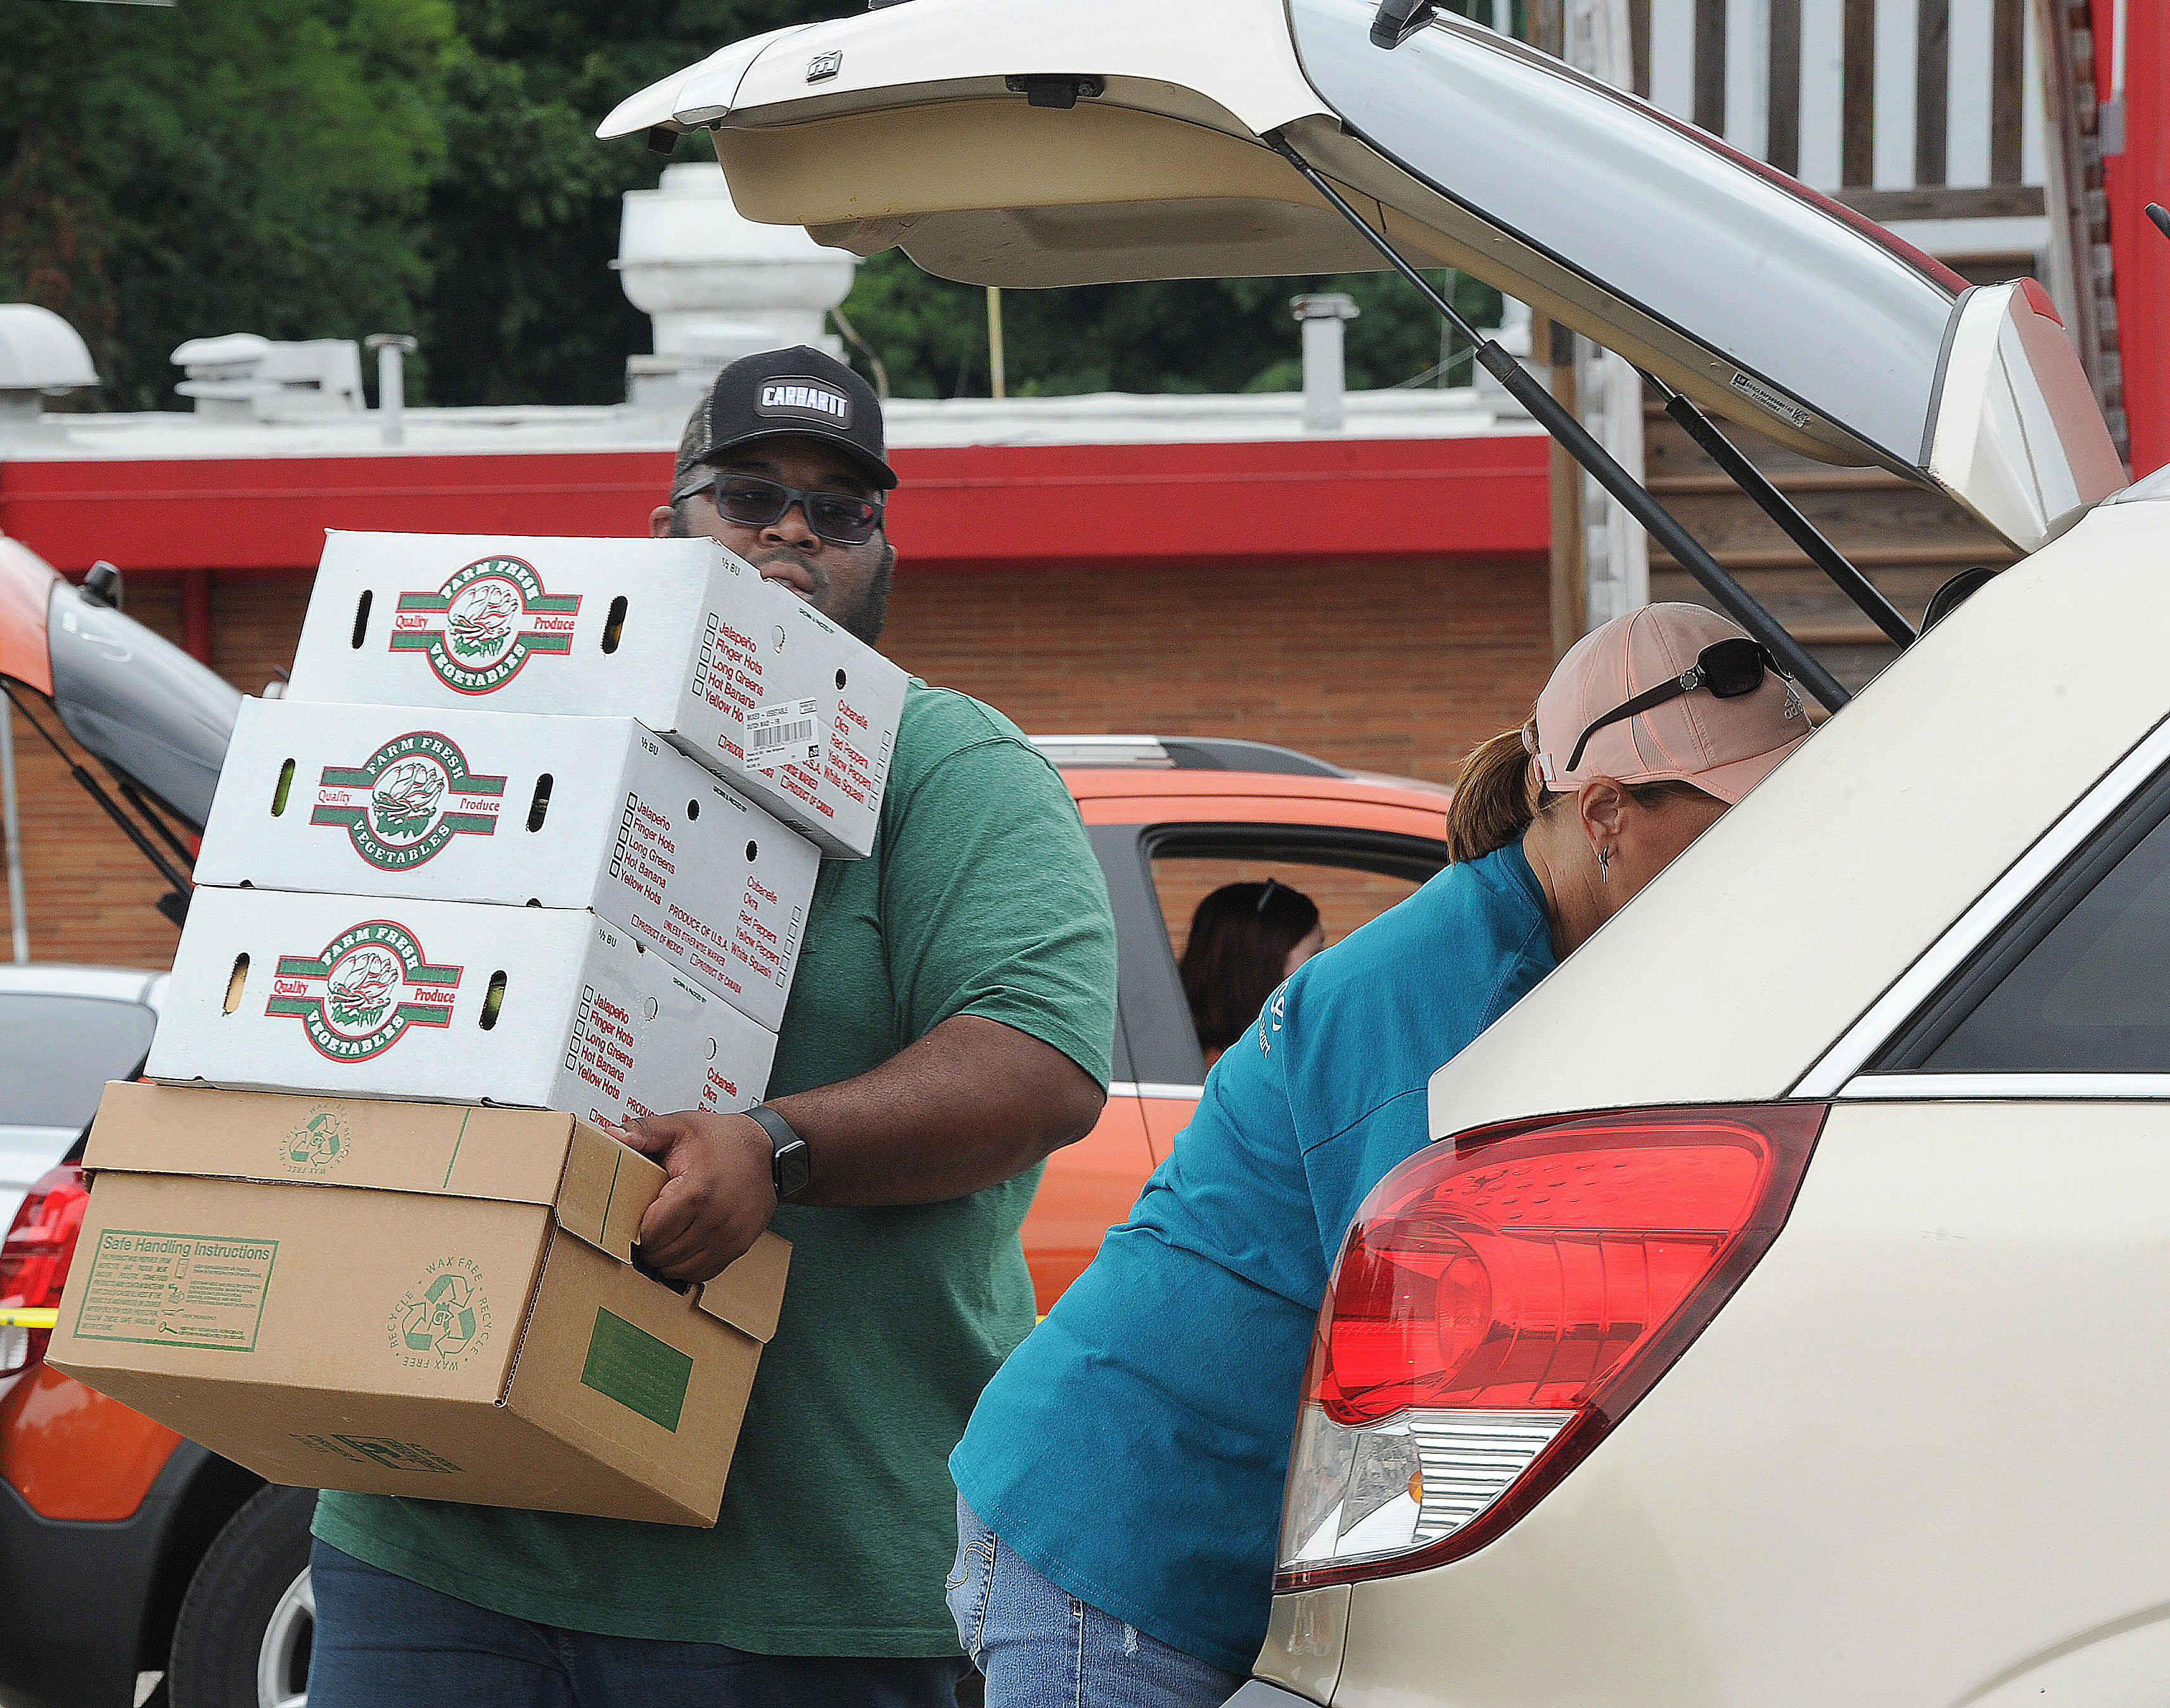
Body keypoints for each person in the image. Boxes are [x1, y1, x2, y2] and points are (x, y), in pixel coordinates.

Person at [305, 347, 1120, 1707]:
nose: (793, 529)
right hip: (442, 1537)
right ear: (665, 529)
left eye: (840, 508)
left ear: (882, 554)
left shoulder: (950, 771)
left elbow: (1038, 1061)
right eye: (748, 495)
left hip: (788, 1584)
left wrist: (777, 1148)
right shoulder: (517, 730)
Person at [943, 602, 1813, 1705]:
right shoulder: (1442, 1002)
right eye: (1742, 818)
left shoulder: (1551, 963)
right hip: (1116, 1532)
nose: (1776, 849)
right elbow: (1429, 1387)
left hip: (1177, 1525)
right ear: (1603, 811)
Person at [1180, 879, 1324, 1064]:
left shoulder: (1191, 1049)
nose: (1322, 964)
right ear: (1264, 964)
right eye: (1316, 953)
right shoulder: (1229, 1070)